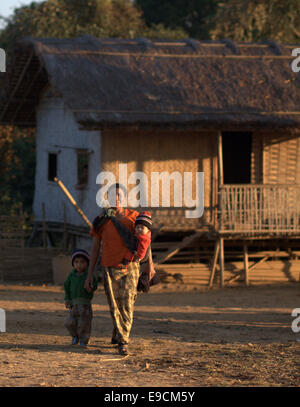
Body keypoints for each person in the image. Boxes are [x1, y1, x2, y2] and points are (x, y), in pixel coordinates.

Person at [84, 183, 141, 356]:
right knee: (114, 305)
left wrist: (150, 266)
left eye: (119, 196)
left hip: (130, 267)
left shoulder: (134, 218)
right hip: (108, 267)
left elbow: (145, 243)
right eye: (112, 196)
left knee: (127, 304)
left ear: (125, 199)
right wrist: (90, 274)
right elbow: (95, 249)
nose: (116, 199)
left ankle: (123, 340)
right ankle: (120, 334)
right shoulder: (101, 221)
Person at [64, 249, 98, 347]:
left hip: (85, 305)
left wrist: (91, 287)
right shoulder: (71, 276)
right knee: (70, 322)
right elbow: (66, 287)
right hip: (73, 305)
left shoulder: (89, 275)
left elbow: (94, 285)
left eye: (82, 262)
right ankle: (75, 336)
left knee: (84, 324)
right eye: (76, 262)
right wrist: (67, 299)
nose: (79, 265)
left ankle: (83, 340)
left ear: (87, 264)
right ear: (73, 264)